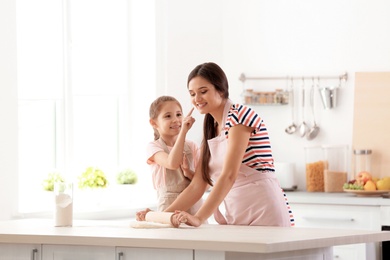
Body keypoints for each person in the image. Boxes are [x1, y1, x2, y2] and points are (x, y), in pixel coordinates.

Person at [137, 63, 294, 228]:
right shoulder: (211, 127)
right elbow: (198, 184)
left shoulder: (239, 116)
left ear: (220, 89)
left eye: (203, 92)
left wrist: (198, 217)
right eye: (192, 94)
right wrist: (158, 217)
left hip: (263, 208)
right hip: (236, 210)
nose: (197, 99)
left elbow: (229, 175)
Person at [146, 95, 203, 215]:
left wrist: (189, 173)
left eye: (179, 115)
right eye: (168, 116)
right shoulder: (154, 147)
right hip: (168, 208)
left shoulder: (192, 146)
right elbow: (172, 163)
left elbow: (204, 183)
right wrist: (183, 131)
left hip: (195, 207)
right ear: (153, 123)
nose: (176, 120)